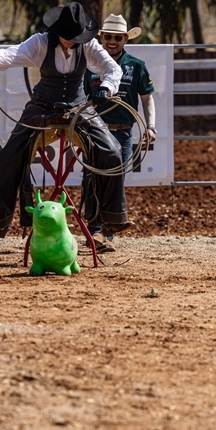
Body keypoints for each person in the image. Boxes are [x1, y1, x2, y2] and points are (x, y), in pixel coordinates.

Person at [0, 2, 132, 238]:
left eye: (76, 36)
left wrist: (106, 87)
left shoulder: (89, 45)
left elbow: (112, 69)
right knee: (9, 156)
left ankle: (112, 219)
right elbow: (10, 55)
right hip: (41, 107)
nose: (71, 40)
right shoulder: (40, 42)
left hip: (78, 108)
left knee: (111, 150)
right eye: (67, 36)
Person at [82, 14, 156, 252]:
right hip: (94, 131)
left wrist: (151, 125)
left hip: (123, 133)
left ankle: (106, 231)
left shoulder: (136, 66)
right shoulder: (90, 65)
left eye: (117, 37)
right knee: (91, 179)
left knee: (115, 180)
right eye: (108, 37)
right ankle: (94, 232)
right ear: (101, 38)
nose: (112, 41)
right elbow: (82, 99)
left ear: (125, 39)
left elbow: (147, 97)